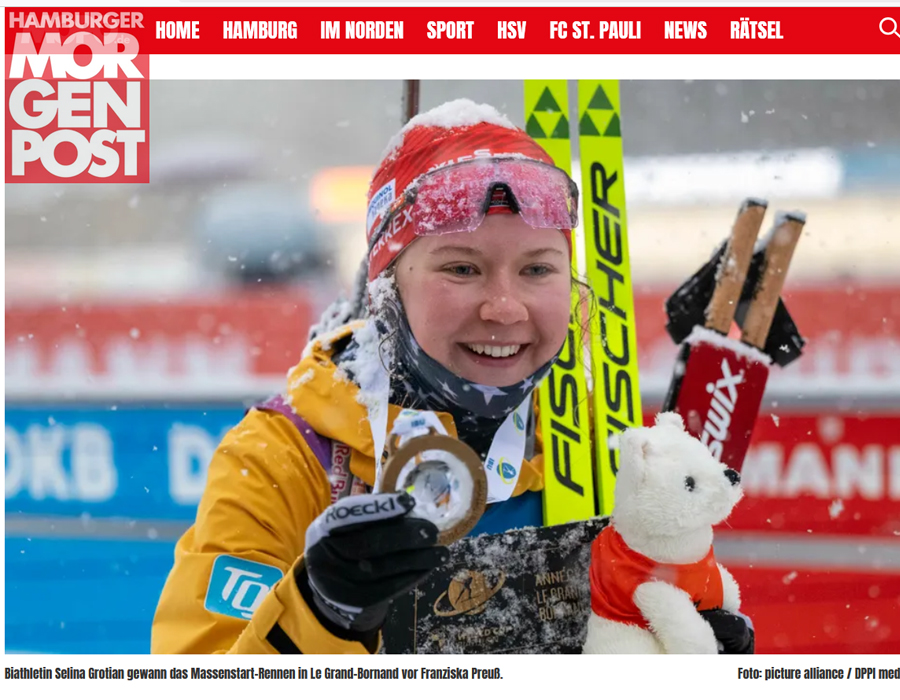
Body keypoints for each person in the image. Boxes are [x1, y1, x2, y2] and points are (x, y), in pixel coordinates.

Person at [151, 98, 753, 655]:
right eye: (462, 268)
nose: (505, 307)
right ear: (388, 287)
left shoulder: (595, 448)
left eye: (538, 269)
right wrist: (321, 612)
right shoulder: (285, 460)